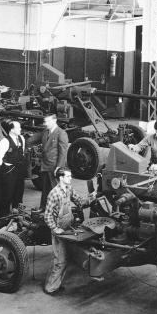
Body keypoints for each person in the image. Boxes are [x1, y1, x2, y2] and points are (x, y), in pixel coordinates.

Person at [43, 167, 91, 295]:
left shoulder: (68, 189)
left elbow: (79, 201)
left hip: (68, 227)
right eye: (68, 176)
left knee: (66, 258)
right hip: (59, 230)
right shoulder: (54, 194)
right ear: (61, 178)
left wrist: (91, 198)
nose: (70, 178)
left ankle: (57, 284)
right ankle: (50, 288)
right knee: (60, 261)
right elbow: (47, 216)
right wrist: (55, 228)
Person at [0, 121, 27, 217]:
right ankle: (4, 215)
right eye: (18, 127)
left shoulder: (22, 139)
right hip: (9, 170)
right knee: (7, 193)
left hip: (19, 169)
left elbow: (22, 152)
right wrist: (5, 169)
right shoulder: (4, 142)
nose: (20, 129)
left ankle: (16, 211)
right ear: (12, 130)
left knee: (19, 191)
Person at [39, 113, 69, 210]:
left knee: (56, 190)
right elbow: (34, 139)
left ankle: (59, 211)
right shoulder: (45, 132)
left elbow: (63, 152)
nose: (45, 123)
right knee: (45, 189)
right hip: (45, 166)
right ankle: (43, 208)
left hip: (55, 168)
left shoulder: (61, 133)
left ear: (54, 121)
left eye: (48, 121)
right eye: (45, 121)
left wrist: (59, 167)